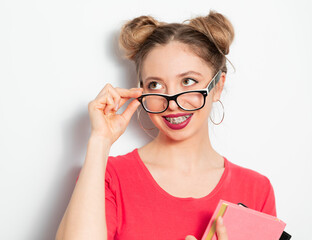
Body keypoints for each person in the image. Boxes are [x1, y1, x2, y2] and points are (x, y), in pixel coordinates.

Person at [55, 10, 276, 240]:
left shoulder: (256, 190)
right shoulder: (107, 176)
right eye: (155, 85)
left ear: (217, 86)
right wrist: (100, 140)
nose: (172, 102)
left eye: (188, 81)